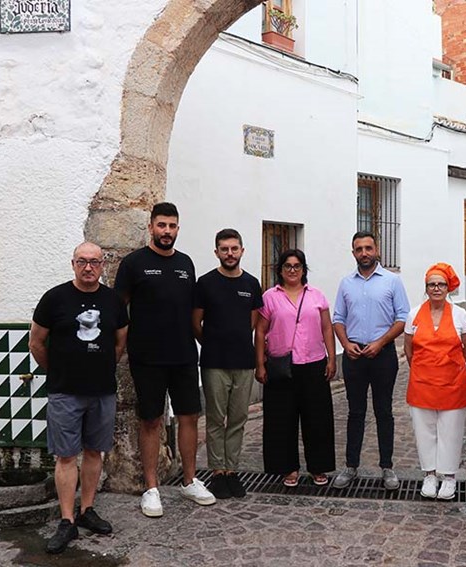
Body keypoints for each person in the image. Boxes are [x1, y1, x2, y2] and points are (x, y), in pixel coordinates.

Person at [114, 202, 215, 517]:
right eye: (161, 225)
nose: (166, 231)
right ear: (151, 227)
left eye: (172, 226)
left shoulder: (185, 263)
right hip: (147, 357)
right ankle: (151, 488)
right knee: (151, 420)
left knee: (189, 417)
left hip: (183, 354)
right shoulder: (133, 263)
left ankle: (189, 481)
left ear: (177, 229)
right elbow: (118, 309)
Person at [29, 242, 128, 554]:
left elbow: (119, 343)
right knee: (66, 455)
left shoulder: (113, 300)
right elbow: (36, 342)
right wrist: (58, 370)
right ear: (73, 264)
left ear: (102, 265)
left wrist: (99, 367)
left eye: (94, 262)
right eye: (82, 261)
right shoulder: (54, 298)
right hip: (64, 392)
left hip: (102, 391)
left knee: (95, 451)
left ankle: (87, 510)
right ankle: (67, 520)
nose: (88, 267)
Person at [332, 231, 410, 490]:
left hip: (383, 354)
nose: (364, 253)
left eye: (368, 248)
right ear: (353, 253)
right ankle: (350, 466)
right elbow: (338, 318)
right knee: (355, 412)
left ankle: (387, 467)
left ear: (377, 250)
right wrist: (345, 344)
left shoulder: (392, 281)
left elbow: (402, 318)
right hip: (354, 355)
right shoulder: (346, 283)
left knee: (383, 411)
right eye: (359, 249)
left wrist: (381, 342)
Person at [254, 249, 337, 486]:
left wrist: (332, 358)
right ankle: (287, 467)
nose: (292, 270)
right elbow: (260, 331)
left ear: (303, 269)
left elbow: (327, 328)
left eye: (297, 266)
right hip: (281, 366)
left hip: (313, 363)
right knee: (281, 419)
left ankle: (318, 467)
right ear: (280, 270)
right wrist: (259, 364)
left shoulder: (316, 296)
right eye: (287, 266)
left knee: (317, 418)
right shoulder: (270, 297)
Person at [192, 228, 262, 499]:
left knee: (238, 418)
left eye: (234, 249)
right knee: (214, 419)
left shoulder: (251, 284)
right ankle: (217, 472)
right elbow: (195, 322)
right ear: (217, 252)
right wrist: (212, 343)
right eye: (224, 249)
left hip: (243, 361)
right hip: (214, 363)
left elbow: (252, 322)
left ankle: (232, 471)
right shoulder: (205, 283)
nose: (230, 254)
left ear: (242, 250)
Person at [403, 263, 466, 500]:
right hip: (422, 384)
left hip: (453, 384)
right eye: (432, 284)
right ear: (426, 288)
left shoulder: (459, 315)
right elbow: (409, 350)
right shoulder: (413, 314)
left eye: (441, 284)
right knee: (424, 431)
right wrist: (423, 370)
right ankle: (430, 475)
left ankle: (449, 476)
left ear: (448, 288)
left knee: (451, 432)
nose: (436, 288)